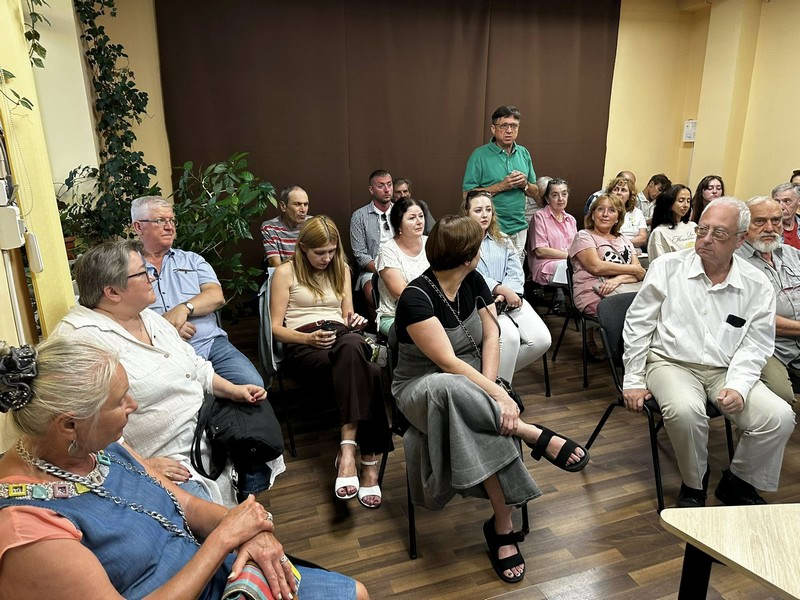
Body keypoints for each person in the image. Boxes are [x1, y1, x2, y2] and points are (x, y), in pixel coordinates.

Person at [0, 337, 368, 599]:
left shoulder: (91, 444)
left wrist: (250, 531)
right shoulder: (28, 529)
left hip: (210, 571)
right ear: (69, 424)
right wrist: (225, 538)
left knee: (355, 592)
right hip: (196, 580)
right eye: (120, 402)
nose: (133, 406)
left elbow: (186, 504)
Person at [391, 215, 588, 583]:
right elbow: (447, 363)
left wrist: (495, 384)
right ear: (469, 256)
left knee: (482, 421)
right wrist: (497, 394)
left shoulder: (474, 281)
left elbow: (491, 337)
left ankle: (502, 525)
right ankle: (530, 433)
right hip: (421, 387)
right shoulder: (416, 298)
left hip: (472, 383)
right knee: (451, 388)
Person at [55, 240, 282, 506]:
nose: (152, 276)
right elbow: (87, 426)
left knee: (258, 420)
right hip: (169, 459)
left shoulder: (147, 317)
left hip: (208, 430)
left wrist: (234, 390)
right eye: (143, 273)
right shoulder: (81, 340)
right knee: (215, 522)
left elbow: (194, 365)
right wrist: (143, 465)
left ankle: (243, 495)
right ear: (113, 292)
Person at [622, 197, 796, 508]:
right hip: (671, 363)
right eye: (702, 230)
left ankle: (738, 481)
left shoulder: (756, 283)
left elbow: (756, 343)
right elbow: (638, 325)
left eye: (719, 234)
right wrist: (633, 379)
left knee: (779, 417)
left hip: (726, 368)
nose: (705, 239)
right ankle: (694, 483)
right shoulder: (667, 267)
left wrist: (738, 386)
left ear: (740, 240)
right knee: (685, 411)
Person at [270, 216, 392, 509]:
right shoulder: (285, 273)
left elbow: (347, 316)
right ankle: (369, 461)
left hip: (341, 336)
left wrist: (355, 321)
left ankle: (348, 451)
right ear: (303, 247)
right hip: (303, 342)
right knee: (372, 371)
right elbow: (274, 328)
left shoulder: (342, 269)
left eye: (332, 251)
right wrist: (308, 339)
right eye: (320, 252)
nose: (327, 258)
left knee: (352, 344)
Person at [131, 196, 263, 391]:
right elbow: (122, 315)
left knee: (253, 385)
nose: (169, 227)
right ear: (138, 227)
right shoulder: (127, 269)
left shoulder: (193, 260)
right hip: (160, 353)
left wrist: (184, 309)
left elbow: (216, 296)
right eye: (160, 221)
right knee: (179, 397)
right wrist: (165, 329)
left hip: (209, 345)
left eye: (172, 220)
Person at [464, 191, 551, 384]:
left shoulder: (502, 239)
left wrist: (508, 292)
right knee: (510, 338)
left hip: (511, 299)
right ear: (467, 213)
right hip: (483, 304)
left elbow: (515, 271)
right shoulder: (462, 242)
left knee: (542, 340)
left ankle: (490, 380)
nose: (485, 215)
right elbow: (471, 275)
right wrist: (499, 289)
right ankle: (499, 392)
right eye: (478, 210)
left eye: (488, 210)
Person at [736, 196, 800, 404]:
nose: (770, 228)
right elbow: (758, 320)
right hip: (764, 345)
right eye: (760, 221)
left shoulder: (792, 255)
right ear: (744, 226)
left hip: (795, 339)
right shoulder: (734, 262)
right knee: (781, 396)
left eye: (776, 220)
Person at [462, 105, 540, 257]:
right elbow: (467, 195)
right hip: (490, 228)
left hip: (519, 227)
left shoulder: (523, 153)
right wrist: (500, 186)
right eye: (504, 125)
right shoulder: (479, 155)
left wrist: (525, 184)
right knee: (492, 270)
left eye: (514, 126)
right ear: (493, 129)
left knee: (516, 270)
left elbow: (535, 192)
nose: (509, 130)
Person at [569, 194, 645, 318]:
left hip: (624, 290)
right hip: (595, 293)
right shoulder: (583, 236)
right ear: (593, 215)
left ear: (618, 218)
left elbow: (640, 274)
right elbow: (596, 267)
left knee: (651, 309)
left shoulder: (624, 239)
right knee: (639, 314)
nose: (605, 214)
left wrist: (617, 280)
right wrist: (633, 269)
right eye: (600, 209)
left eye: (611, 210)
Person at [375, 198, 429, 336]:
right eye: (412, 218)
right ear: (398, 224)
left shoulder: (430, 243)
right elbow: (401, 293)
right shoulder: (388, 251)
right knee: (428, 335)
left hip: (431, 312)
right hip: (395, 316)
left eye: (421, 216)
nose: (419, 221)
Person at [350, 170, 394, 313]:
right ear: (371, 189)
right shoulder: (359, 216)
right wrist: (382, 270)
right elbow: (360, 254)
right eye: (381, 186)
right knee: (373, 295)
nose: (387, 189)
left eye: (389, 184)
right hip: (372, 270)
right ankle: (378, 325)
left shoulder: (401, 212)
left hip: (400, 266)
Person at [527, 177, 577, 285]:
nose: (561, 198)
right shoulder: (539, 217)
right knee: (577, 272)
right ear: (547, 199)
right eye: (555, 195)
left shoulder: (571, 220)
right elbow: (540, 251)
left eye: (564, 194)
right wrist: (570, 257)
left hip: (568, 263)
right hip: (545, 266)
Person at [261, 184, 311, 266]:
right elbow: (276, 265)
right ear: (283, 206)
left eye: (305, 204)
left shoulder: (313, 224)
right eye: (297, 204)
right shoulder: (270, 227)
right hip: (283, 273)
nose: (303, 210)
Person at [646, 184, 696, 260]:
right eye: (681, 201)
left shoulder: (693, 226)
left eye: (688, 201)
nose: (686, 205)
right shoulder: (659, 232)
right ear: (669, 202)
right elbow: (658, 262)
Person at [606, 176, 647, 250]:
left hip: (634, 250)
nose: (619, 193)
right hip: (609, 248)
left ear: (630, 196)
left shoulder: (637, 213)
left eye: (623, 190)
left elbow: (643, 238)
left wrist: (625, 243)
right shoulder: (605, 211)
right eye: (616, 189)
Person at [771, 182, 800, 249]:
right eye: (777, 201)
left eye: (787, 201)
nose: (781, 207)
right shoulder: (768, 229)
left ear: (798, 201)